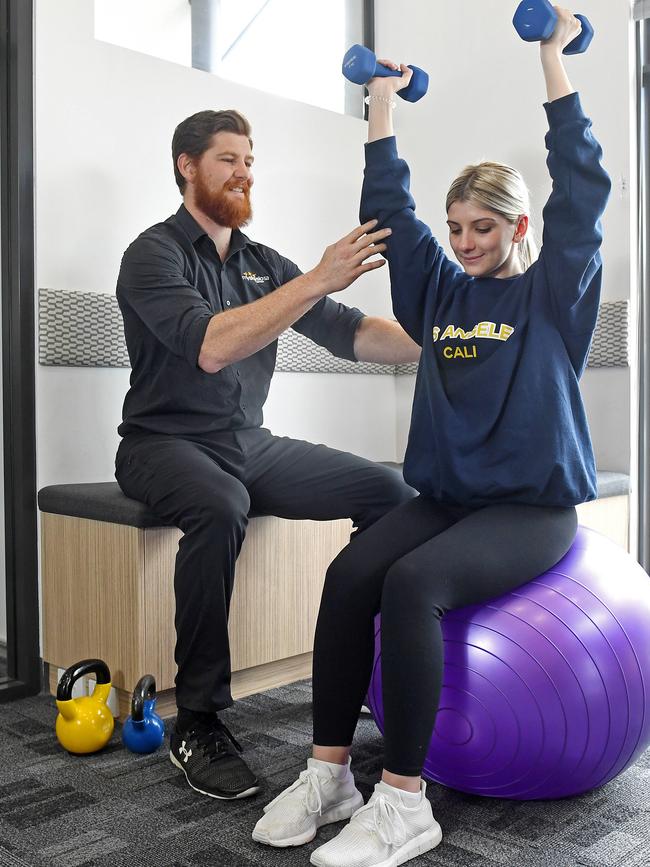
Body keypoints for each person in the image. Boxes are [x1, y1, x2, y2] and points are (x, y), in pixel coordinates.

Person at [252, 8, 611, 866]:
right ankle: (330, 771)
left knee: (412, 585)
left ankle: (405, 802)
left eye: (481, 228)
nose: (464, 243)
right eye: (456, 230)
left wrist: (551, 57)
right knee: (350, 574)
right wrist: (382, 102)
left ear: (518, 228)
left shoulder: (554, 297)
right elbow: (388, 207)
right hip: (448, 498)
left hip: (532, 508)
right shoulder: (442, 297)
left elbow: (583, 185)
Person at [115, 109, 421, 800]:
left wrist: (448, 338)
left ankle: (367, 667)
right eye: (227, 158)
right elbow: (212, 343)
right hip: (162, 443)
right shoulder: (153, 254)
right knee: (222, 504)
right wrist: (316, 277)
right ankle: (197, 718)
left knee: (388, 492)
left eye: (249, 159)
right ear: (186, 166)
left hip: (247, 442)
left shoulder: (263, 265)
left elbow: (352, 333)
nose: (244, 171)